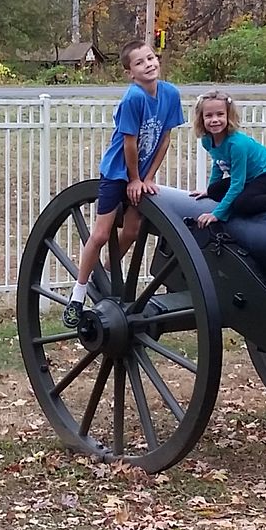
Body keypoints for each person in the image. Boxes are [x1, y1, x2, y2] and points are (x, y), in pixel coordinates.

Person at [65, 39, 185, 326]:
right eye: (140, 63)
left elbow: (165, 139)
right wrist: (133, 179)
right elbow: (130, 144)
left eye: (151, 58)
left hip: (140, 175)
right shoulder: (133, 98)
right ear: (130, 73)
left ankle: (104, 275)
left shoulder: (170, 94)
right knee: (101, 234)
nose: (149, 65)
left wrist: (148, 177)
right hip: (117, 173)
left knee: (132, 230)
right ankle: (78, 294)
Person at [188, 91, 266, 228]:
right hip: (249, 178)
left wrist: (217, 214)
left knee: (243, 204)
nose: (214, 120)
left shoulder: (236, 144)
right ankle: (261, 202)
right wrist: (210, 191)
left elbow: (237, 184)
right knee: (214, 191)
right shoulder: (207, 141)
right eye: (208, 115)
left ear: (229, 116)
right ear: (201, 118)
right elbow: (218, 165)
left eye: (220, 114)